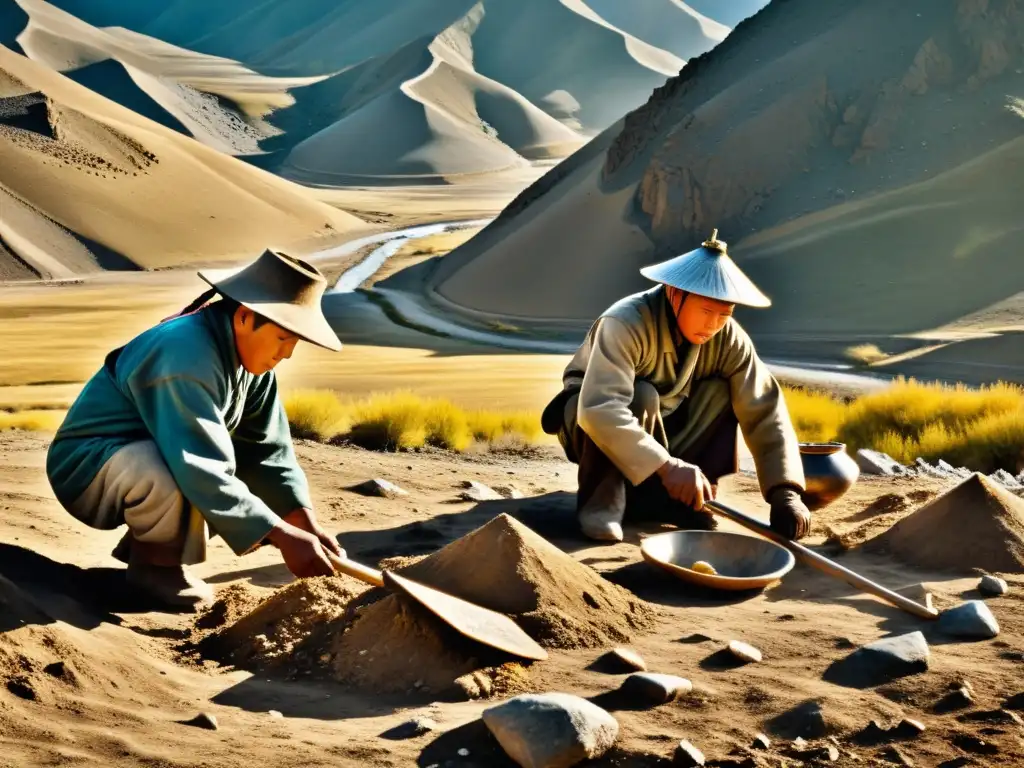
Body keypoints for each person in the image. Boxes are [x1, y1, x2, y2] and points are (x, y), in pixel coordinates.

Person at [45, 248, 347, 610]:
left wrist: (304, 524)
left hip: (150, 459)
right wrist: (282, 536)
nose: (287, 354)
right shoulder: (183, 353)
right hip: (89, 467)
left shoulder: (250, 366)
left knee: (220, 461)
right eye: (284, 338)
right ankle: (155, 566)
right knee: (178, 463)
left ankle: (154, 551)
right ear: (246, 317)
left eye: (295, 342)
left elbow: (267, 451)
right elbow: (197, 460)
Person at [541, 229, 811, 543]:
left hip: (666, 422)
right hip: (589, 421)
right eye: (706, 311)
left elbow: (764, 408)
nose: (713, 325)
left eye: (724, 314)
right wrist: (668, 467)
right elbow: (600, 408)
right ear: (674, 294)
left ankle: (689, 499)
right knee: (641, 395)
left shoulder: (728, 338)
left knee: (722, 393)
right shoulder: (625, 323)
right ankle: (602, 509)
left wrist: (785, 492)